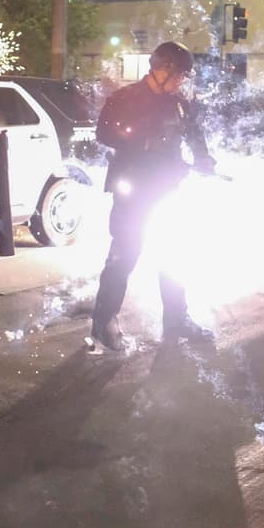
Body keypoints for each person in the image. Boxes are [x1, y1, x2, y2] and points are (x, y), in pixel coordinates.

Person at [90, 41, 216, 350]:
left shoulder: (180, 103)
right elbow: (104, 133)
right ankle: (103, 322)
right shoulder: (125, 98)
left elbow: (194, 134)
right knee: (124, 256)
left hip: (167, 187)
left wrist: (204, 159)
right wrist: (143, 140)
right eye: (178, 75)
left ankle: (177, 318)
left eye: (185, 77)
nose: (181, 82)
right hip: (133, 191)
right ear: (161, 69)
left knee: (173, 254)